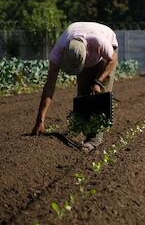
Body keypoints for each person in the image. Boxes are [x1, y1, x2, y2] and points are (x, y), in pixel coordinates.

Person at [31, 22, 119, 151]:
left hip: (106, 53)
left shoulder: (99, 41)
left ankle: (94, 139)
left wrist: (98, 82)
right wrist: (40, 121)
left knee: (100, 94)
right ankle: (87, 131)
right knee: (83, 95)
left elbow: (113, 59)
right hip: (86, 48)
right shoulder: (59, 50)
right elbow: (49, 86)